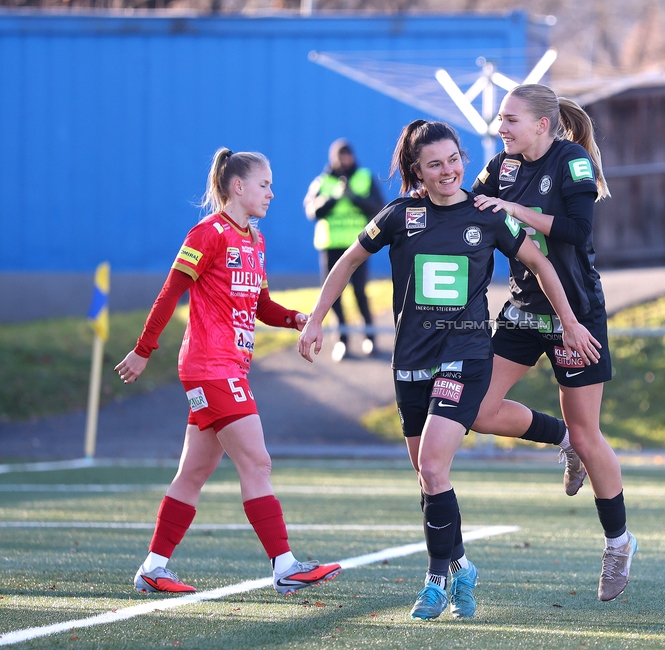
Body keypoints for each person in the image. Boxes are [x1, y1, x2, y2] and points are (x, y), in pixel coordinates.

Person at [298, 120, 600, 620]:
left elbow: (543, 264)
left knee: (435, 466)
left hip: (467, 354)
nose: (448, 171)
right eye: (435, 164)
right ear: (417, 170)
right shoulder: (399, 215)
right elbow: (347, 261)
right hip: (411, 361)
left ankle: (435, 579)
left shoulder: (487, 216)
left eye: (454, 159)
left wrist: (569, 322)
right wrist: (315, 320)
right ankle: (460, 564)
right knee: (426, 475)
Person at [115, 148, 341, 596]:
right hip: (210, 368)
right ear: (237, 186)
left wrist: (296, 318)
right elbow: (169, 294)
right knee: (257, 461)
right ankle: (285, 565)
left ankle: (153, 567)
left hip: (225, 369)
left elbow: (260, 306)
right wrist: (143, 350)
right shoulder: (208, 233)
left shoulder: (254, 239)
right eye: (265, 184)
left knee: (194, 473)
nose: (272, 194)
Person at [470, 83, 637, 601]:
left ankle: (619, 542)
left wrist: (512, 211)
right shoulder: (501, 166)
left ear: (542, 124)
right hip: (523, 309)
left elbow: (575, 232)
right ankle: (561, 439)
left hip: (576, 316)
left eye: (510, 119)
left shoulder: (573, 162)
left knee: (593, 436)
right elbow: (467, 201)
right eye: (501, 119)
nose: (502, 128)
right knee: (476, 408)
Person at [303, 138, 385, 361]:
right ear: (333, 159)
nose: (344, 160)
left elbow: (379, 207)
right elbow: (312, 210)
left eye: (347, 155)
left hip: (358, 246)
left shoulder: (364, 178)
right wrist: (334, 197)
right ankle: (342, 342)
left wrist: (353, 197)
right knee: (333, 296)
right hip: (331, 246)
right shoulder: (322, 182)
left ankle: (369, 338)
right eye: (340, 156)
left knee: (359, 292)